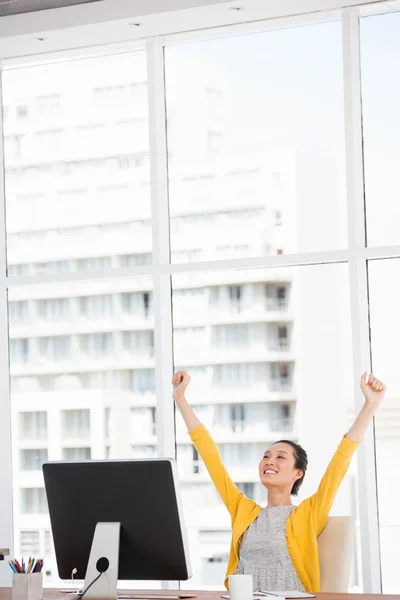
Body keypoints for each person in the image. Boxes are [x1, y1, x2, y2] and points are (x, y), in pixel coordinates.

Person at [172, 370, 386, 593]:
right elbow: (210, 456)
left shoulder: (308, 513)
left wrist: (370, 405)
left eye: (280, 457)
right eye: (266, 456)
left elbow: (341, 461)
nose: (269, 461)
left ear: (298, 474)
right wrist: (180, 398)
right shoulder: (242, 511)